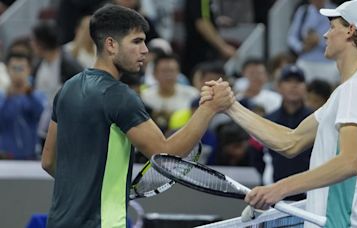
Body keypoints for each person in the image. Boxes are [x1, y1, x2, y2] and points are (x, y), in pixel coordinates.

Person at [41, 5, 234, 228]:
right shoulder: (119, 95)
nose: (145, 50)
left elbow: (48, 162)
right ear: (111, 44)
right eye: (136, 41)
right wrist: (208, 109)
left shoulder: (67, 89)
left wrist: (85, 188)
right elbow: (167, 154)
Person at [201, 0, 357, 227]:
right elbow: (291, 141)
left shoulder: (355, 89)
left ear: (351, 30)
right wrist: (231, 106)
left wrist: (279, 189)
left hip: (343, 223)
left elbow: (349, 162)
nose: (325, 35)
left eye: (332, 27)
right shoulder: (355, 89)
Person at [263, 64, 313, 201]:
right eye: (288, 81)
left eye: (298, 82)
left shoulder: (316, 119)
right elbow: (257, 155)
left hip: (309, 193)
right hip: (274, 192)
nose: (293, 86)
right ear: (278, 86)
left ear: (305, 87)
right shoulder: (268, 120)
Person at [0, 52, 45, 160]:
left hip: (31, 155)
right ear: (7, 70)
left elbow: (43, 117)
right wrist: (7, 97)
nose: (17, 73)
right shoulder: (2, 96)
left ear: (29, 70)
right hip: (6, 156)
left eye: (21, 69)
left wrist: (29, 94)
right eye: (14, 68)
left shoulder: (37, 95)